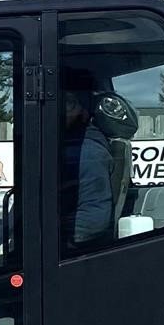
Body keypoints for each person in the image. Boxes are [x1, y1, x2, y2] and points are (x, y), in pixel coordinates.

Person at [61, 74, 115, 250]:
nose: (58, 109)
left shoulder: (86, 154)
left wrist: (41, 236)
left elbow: (94, 219)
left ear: (83, 109)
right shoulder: (63, 147)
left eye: (68, 103)